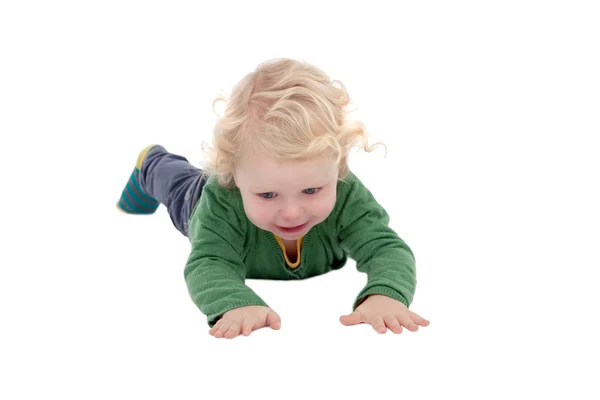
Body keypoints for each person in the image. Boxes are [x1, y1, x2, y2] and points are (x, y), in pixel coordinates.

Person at [117, 58, 430, 339]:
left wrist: (386, 294)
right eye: (267, 194)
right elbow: (208, 263)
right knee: (175, 181)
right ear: (233, 174)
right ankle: (151, 162)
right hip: (197, 202)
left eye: (311, 190)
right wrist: (236, 303)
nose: (292, 213)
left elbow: (385, 247)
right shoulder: (220, 202)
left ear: (339, 166)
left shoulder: (347, 193)